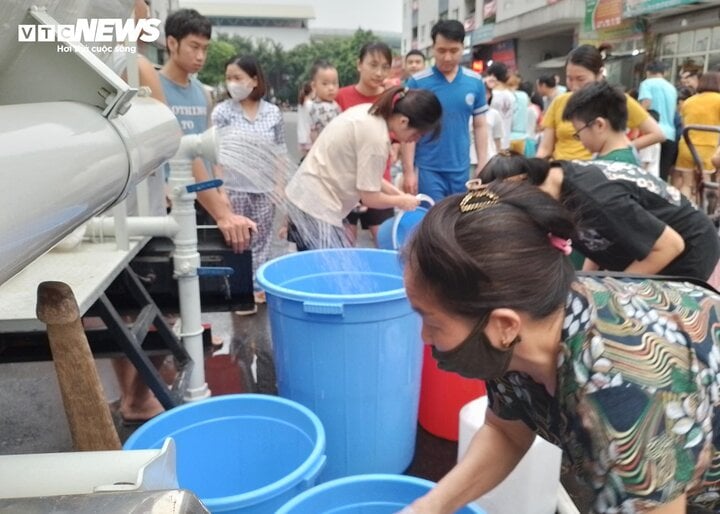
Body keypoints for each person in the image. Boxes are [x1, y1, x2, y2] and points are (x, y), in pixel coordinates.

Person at [402, 179, 720, 514]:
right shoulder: (521, 323)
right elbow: (506, 432)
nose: (425, 337)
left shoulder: (622, 398)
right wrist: (427, 508)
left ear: (505, 325)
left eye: (433, 323)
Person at [478, 152, 719, 281]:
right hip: (649, 246)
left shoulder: (595, 198)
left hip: (687, 250)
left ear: (523, 187)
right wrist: (590, 280)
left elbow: (670, 246)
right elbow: (597, 238)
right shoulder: (556, 182)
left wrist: (613, 288)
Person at [285, 87, 441, 250]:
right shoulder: (377, 139)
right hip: (316, 209)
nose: (413, 140)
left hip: (305, 198)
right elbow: (370, 198)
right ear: (403, 121)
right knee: (319, 270)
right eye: (418, 135)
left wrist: (400, 195)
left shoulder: (369, 113)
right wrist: (401, 201)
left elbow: (369, 176)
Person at [211, 55, 287, 308]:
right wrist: (220, 189)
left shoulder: (272, 113)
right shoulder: (222, 112)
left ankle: (257, 286)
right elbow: (215, 153)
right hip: (234, 188)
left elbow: (280, 151)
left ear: (254, 81)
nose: (232, 83)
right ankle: (240, 290)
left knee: (262, 240)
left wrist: (278, 186)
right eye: (228, 78)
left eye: (238, 78)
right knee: (238, 241)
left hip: (264, 190)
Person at [402, 20, 489, 202]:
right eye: (441, 51)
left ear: (462, 47)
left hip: (461, 168)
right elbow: (408, 129)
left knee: (458, 220)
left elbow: (480, 125)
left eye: (454, 50)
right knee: (432, 221)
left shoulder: (474, 82)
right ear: (433, 48)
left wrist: (483, 161)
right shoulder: (417, 83)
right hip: (428, 168)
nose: (447, 57)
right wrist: (409, 171)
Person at [536, 44, 664, 161]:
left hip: (598, 173)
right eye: (569, 78)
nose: (574, 86)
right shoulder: (560, 102)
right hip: (561, 171)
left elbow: (657, 134)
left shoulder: (616, 100)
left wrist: (617, 152)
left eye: (581, 79)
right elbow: (545, 148)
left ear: (599, 74)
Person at [335, 41, 395, 245]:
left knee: (386, 241)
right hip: (346, 183)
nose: (379, 72)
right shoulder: (340, 96)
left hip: (379, 181)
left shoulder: (391, 99)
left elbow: (398, 136)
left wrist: (395, 148)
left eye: (385, 67)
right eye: (373, 64)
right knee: (345, 245)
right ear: (359, 64)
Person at [562, 81, 640, 164]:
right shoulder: (627, 152)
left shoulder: (611, 166)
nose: (580, 140)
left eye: (578, 133)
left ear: (599, 125)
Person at [673, 71, 720, 203]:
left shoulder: (689, 101)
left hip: (687, 146)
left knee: (687, 184)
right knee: (708, 184)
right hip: (708, 148)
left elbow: (684, 124)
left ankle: (683, 214)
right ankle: (707, 214)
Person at [638, 61, 678, 181]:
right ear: (664, 73)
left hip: (652, 132)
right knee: (662, 175)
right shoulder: (672, 88)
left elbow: (646, 102)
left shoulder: (646, 83)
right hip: (670, 134)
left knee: (647, 172)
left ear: (648, 72)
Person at [307, 60, 341, 143]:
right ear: (314, 86)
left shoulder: (333, 103)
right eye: (325, 84)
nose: (331, 88)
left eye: (334, 83)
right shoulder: (318, 107)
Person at [484, 62, 515, 152]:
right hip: (506, 141)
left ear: (492, 75)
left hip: (491, 142)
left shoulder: (489, 95)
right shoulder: (511, 95)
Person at [296, 81, 314, 160]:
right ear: (311, 91)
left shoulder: (301, 104)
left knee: (306, 160)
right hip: (309, 137)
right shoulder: (311, 105)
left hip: (301, 136)